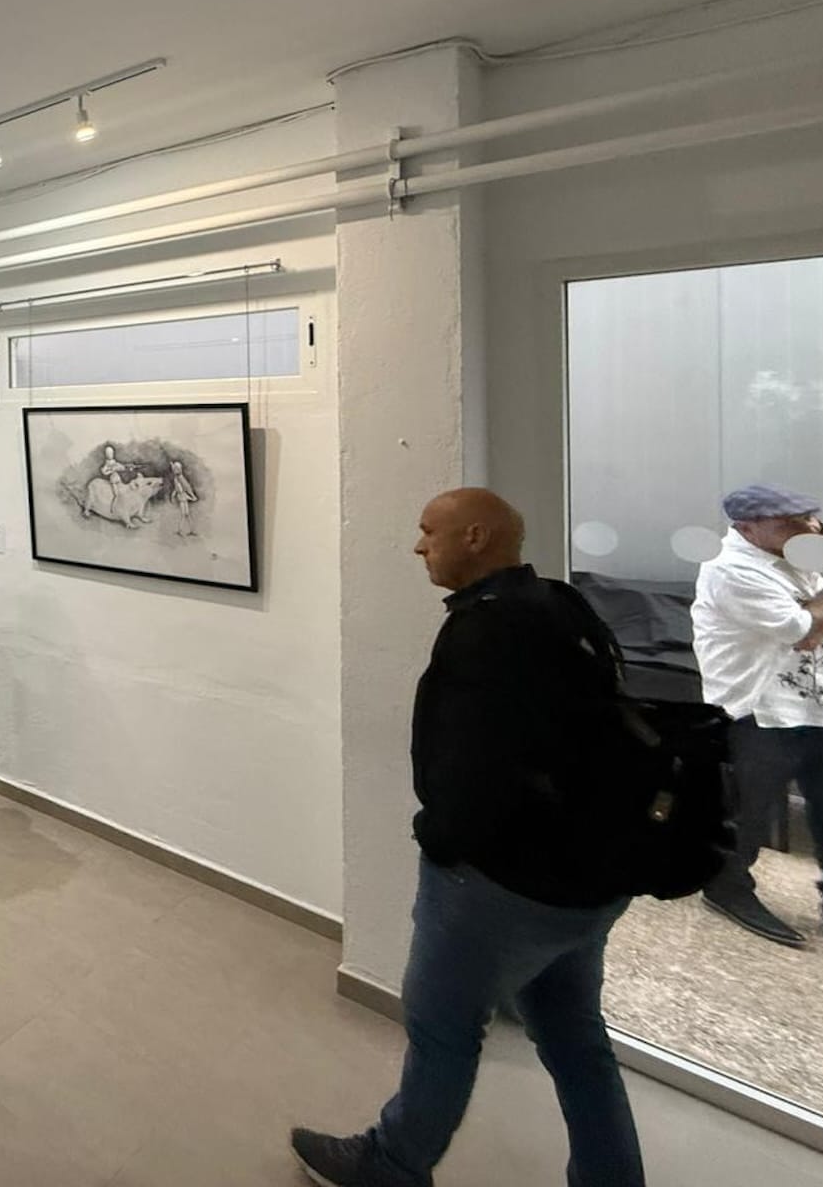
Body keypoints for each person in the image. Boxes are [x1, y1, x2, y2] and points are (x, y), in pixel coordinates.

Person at [291, 488, 644, 1187]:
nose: (419, 545)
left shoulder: (487, 629)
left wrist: (440, 838)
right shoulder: (560, 604)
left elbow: (476, 770)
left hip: (504, 884)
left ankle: (391, 1164)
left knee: (442, 1032)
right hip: (590, 876)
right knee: (578, 1041)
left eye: (429, 531)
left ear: (476, 538)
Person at [691, 484, 823, 947]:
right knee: (745, 814)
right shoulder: (730, 571)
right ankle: (726, 889)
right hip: (759, 712)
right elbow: (803, 632)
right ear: (747, 529)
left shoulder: (805, 555)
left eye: (809, 517)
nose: (806, 528)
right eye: (787, 523)